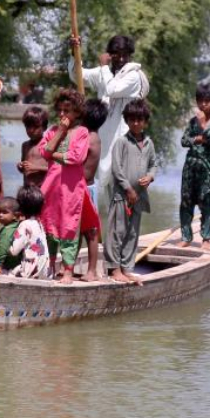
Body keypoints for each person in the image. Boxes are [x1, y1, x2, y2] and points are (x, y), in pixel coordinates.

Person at [68, 34, 149, 206]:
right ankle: (101, 229)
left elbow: (112, 89)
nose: (120, 59)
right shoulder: (105, 73)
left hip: (124, 138)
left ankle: (123, 229)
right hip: (103, 137)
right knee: (102, 186)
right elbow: (78, 76)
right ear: (110, 54)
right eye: (116, 54)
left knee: (122, 187)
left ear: (130, 56)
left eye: (124, 55)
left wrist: (104, 66)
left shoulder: (133, 76)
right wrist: (75, 53)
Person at [38, 89, 90, 284]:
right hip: (51, 188)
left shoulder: (82, 132)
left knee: (69, 227)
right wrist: (59, 132)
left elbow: (76, 157)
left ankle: (68, 270)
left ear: (77, 112)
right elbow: (44, 151)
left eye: (67, 110)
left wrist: (55, 154)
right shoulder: (53, 131)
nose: (62, 115)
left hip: (71, 189)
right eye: (59, 110)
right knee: (48, 225)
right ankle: (50, 266)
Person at [105, 99, 156, 285]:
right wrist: (128, 188)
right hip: (122, 196)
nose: (136, 123)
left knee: (133, 233)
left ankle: (127, 268)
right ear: (126, 121)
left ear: (145, 121)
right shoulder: (122, 142)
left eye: (140, 120)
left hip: (140, 197)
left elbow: (154, 165)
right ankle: (114, 269)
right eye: (132, 119)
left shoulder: (149, 143)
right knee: (117, 231)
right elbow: (117, 169)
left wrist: (150, 177)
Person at [179, 82, 210, 249]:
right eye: (200, 100)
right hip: (190, 168)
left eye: (207, 101)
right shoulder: (193, 122)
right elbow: (184, 141)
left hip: (207, 170)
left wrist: (202, 127)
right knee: (186, 203)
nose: (203, 104)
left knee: (206, 204)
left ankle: (206, 238)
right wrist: (195, 139)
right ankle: (186, 236)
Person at [78, 98, 108, 281]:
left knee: (91, 231)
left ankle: (92, 271)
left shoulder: (90, 139)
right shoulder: (92, 136)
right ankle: (72, 267)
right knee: (78, 230)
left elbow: (73, 158)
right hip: (81, 187)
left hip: (86, 188)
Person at [8, 185, 51, 279]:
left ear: (20, 206)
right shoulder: (39, 224)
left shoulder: (25, 225)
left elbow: (14, 251)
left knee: (8, 273)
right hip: (45, 271)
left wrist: (5, 246)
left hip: (31, 271)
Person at [17, 105, 50, 188]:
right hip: (27, 188)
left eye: (35, 127)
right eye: (28, 126)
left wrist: (35, 167)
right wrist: (20, 167)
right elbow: (25, 169)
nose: (31, 130)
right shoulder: (25, 145)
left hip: (42, 188)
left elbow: (55, 169)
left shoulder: (49, 145)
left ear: (44, 127)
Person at [0, 196, 22, 272]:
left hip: (8, 267)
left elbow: (3, 249)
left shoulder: (7, 230)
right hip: (17, 265)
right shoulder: (18, 226)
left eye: (4, 212)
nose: (0, 215)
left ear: (15, 215)